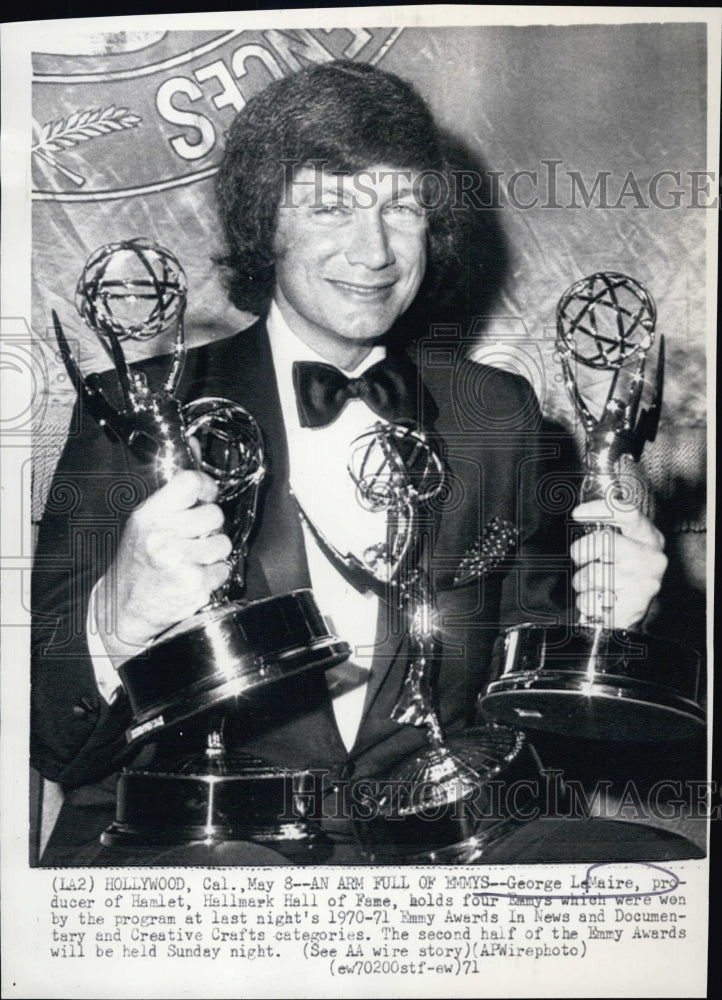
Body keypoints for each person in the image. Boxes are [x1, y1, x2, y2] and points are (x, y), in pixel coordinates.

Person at [32, 59, 685, 867]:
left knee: (655, 872)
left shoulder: (497, 413)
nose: (373, 250)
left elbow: (530, 697)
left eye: (400, 207)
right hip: (194, 845)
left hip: (436, 841)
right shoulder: (132, 412)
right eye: (332, 206)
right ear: (261, 222)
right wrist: (114, 621)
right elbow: (54, 745)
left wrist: (609, 622)